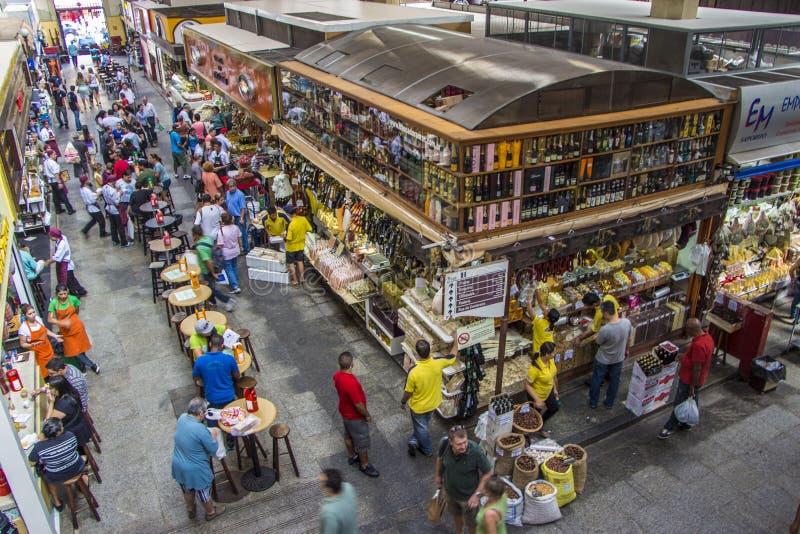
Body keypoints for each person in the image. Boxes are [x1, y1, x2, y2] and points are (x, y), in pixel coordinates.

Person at [172, 397, 227, 521]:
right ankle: (211, 512)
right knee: (204, 493)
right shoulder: (200, 429)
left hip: (178, 464)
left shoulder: (182, 418)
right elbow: (213, 448)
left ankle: (190, 509)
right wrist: (213, 435)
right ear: (201, 413)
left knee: (187, 490)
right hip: (195, 470)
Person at [401, 338, 458, 457]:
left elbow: (408, 392)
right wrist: (457, 341)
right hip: (433, 403)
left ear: (417, 353)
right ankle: (414, 441)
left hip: (418, 407)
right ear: (430, 351)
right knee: (422, 424)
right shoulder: (438, 362)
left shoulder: (413, 371)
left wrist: (403, 402)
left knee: (421, 428)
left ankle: (427, 450)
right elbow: (452, 356)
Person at [659, 318, 714, 439]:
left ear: (692, 330)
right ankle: (688, 422)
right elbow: (696, 359)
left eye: (687, 328)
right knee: (692, 399)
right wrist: (684, 356)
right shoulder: (707, 338)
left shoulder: (699, 345)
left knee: (680, 402)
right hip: (698, 379)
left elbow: (697, 368)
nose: (686, 331)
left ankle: (669, 427)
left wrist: (692, 387)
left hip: (689, 380)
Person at [436, 426, 493, 534]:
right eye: (459, 444)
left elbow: (488, 473)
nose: (463, 446)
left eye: (465, 442)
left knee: (472, 523)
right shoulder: (444, 445)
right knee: (457, 515)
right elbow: (439, 458)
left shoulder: (475, 452)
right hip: (450, 493)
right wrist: (438, 475)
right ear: (451, 442)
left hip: (468, 498)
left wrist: (476, 494)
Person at [333, 351, 379, 477]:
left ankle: (352, 456)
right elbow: (358, 404)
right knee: (362, 440)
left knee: (348, 435)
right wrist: (367, 415)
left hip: (344, 412)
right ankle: (364, 465)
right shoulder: (351, 382)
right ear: (352, 364)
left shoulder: (337, 376)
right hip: (355, 417)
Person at [28, 418, 87, 512]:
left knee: (45, 475)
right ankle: (83, 482)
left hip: (57, 475)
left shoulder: (39, 447)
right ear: (58, 432)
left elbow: (31, 462)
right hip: (77, 467)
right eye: (61, 426)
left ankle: (57, 502)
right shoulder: (70, 435)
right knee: (78, 458)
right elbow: (74, 448)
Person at [192, 333, 239, 435]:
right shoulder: (229, 359)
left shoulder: (200, 361)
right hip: (228, 396)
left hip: (211, 398)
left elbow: (196, 378)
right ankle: (231, 441)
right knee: (230, 422)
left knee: (212, 424)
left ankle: (216, 440)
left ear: (210, 344)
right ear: (222, 346)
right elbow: (237, 376)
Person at [589, 300, 631, 409]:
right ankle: (609, 403)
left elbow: (598, 342)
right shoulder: (626, 322)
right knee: (614, 381)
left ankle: (593, 402)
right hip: (618, 358)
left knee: (597, 380)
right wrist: (627, 350)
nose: (602, 315)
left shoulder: (606, 329)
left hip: (603, 359)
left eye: (603, 313)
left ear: (606, 313)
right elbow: (629, 339)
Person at [48, 284, 99, 374]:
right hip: (66, 331)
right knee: (75, 352)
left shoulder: (73, 299)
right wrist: (62, 322)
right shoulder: (54, 303)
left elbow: (76, 310)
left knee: (81, 349)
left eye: (65, 293)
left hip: (77, 328)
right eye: (61, 294)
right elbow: (50, 319)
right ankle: (92, 365)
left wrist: (72, 319)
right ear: (57, 294)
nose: (63, 296)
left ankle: (82, 367)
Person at [193, 225, 235, 312]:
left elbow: (208, 261)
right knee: (210, 287)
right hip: (214, 266)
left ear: (195, 234)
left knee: (210, 289)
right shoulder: (208, 239)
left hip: (207, 270)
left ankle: (227, 300)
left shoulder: (200, 247)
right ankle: (213, 302)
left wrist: (212, 273)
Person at [45, 375, 92, 448]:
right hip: (80, 422)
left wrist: (51, 403)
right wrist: (40, 390)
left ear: (58, 389)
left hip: (74, 432)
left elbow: (48, 423)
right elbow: (47, 385)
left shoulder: (63, 404)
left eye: (50, 389)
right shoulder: (71, 391)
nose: (48, 391)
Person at [524, 341, 559, 437]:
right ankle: (527, 434)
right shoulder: (535, 368)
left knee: (554, 408)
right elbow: (527, 385)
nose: (554, 354)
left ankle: (540, 425)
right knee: (534, 416)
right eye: (553, 352)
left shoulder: (550, 361)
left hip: (548, 391)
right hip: (538, 394)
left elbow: (552, 375)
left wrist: (555, 389)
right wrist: (537, 400)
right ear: (547, 354)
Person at [18, 304, 61, 375]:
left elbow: (45, 330)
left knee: (55, 369)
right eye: (30, 314)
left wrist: (55, 336)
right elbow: (22, 344)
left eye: (33, 312)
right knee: (46, 373)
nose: (33, 315)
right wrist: (30, 345)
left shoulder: (38, 319)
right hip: (39, 355)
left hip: (48, 349)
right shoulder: (23, 328)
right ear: (25, 315)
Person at [45, 228, 87, 295]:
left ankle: (75, 295)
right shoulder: (62, 237)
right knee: (72, 279)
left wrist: (48, 262)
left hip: (66, 266)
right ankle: (81, 291)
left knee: (69, 282)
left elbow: (57, 257)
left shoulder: (62, 244)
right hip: (64, 264)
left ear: (54, 236)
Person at [318, 469, 357, 534]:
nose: (319, 479)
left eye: (322, 482)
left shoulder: (329, 512)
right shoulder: (348, 487)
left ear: (329, 489)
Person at [526, 289, 560, 354]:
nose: (546, 309)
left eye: (547, 311)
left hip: (540, 351)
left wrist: (529, 295)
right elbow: (541, 303)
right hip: (549, 346)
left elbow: (529, 309)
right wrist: (536, 290)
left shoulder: (540, 323)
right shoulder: (550, 321)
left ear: (547, 317)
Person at [285, 205, 312, 286]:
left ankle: (295, 280)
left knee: (291, 263)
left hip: (291, 247)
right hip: (301, 245)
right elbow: (310, 229)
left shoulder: (291, 224)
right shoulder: (303, 219)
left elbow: (289, 238)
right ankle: (302, 278)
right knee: (300, 261)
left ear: (288, 214)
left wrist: (284, 236)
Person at [102, 176, 132, 247]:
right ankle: (124, 243)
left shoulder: (104, 187)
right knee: (120, 226)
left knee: (113, 226)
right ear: (112, 181)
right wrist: (120, 194)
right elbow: (117, 201)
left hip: (109, 208)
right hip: (114, 209)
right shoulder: (112, 190)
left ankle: (115, 240)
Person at [218, 213, 243, 294]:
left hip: (226, 252)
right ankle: (235, 280)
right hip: (235, 250)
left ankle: (235, 285)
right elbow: (239, 238)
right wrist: (241, 246)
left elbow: (220, 244)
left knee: (228, 268)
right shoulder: (236, 227)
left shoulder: (221, 231)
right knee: (234, 265)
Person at [225, 178, 249, 253]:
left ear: (236, 186)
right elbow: (228, 203)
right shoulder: (227, 193)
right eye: (230, 186)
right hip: (231, 217)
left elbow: (243, 207)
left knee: (242, 233)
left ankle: (245, 249)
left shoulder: (240, 194)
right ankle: (238, 248)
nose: (232, 188)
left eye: (233, 186)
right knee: (234, 234)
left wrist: (241, 218)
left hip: (239, 216)